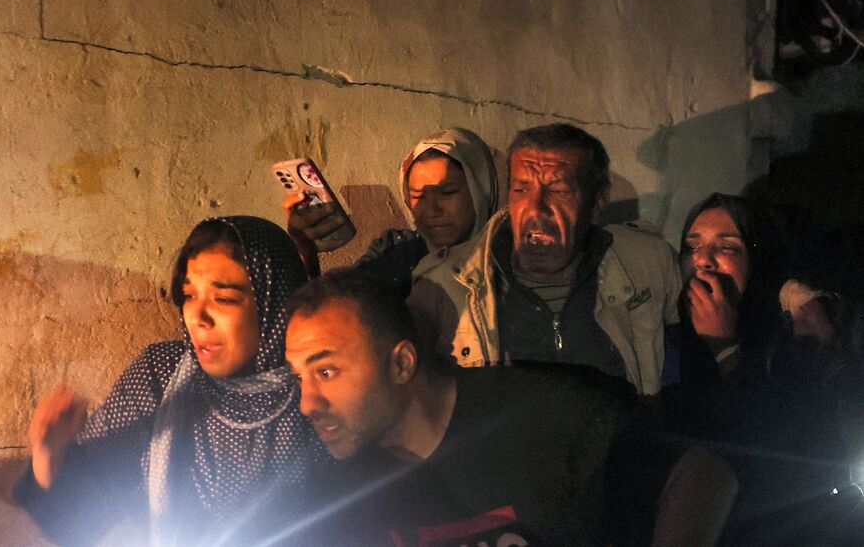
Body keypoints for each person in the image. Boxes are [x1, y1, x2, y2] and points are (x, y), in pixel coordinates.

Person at [14, 216, 329, 546]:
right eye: (189, 295)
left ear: (273, 303)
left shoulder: (316, 389)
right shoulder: (161, 376)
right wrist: (49, 456)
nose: (198, 317)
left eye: (224, 299)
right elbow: (84, 514)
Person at [284, 270, 634, 545]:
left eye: (326, 372)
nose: (306, 404)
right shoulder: (339, 485)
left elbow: (677, 470)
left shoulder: (547, 418)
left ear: (401, 364)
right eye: (300, 377)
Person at [430, 123, 681, 395]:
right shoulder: (443, 284)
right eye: (522, 190)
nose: (536, 208)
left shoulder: (649, 264)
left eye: (558, 190)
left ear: (596, 204)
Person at [669, 193, 860, 544]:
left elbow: (787, 452)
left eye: (727, 247)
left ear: (760, 256)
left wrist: (725, 348)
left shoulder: (801, 336)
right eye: (692, 245)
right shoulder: (673, 331)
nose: (703, 261)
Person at [284, 127, 499, 302]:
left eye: (448, 192)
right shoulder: (396, 253)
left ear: (481, 190)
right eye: (418, 196)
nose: (432, 211)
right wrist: (305, 254)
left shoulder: (509, 261)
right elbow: (339, 314)